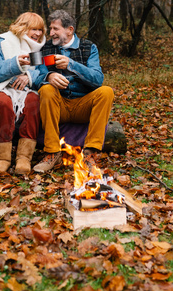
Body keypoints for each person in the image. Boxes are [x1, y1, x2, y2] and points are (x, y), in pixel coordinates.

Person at [33, 10, 114, 173]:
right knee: (47, 89)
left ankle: (90, 155)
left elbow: (97, 79)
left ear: (70, 30)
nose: (51, 33)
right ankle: (51, 153)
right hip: (58, 105)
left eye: (56, 29)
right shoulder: (43, 48)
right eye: (51, 29)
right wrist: (48, 76)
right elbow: (33, 75)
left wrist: (72, 65)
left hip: (83, 105)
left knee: (106, 92)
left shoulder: (89, 47)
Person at [0, 12, 47, 176]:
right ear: (22, 27)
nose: (38, 34)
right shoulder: (2, 42)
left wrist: (28, 76)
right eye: (34, 29)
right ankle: (2, 159)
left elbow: (44, 73)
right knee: (2, 103)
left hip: (27, 90)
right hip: (0, 87)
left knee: (34, 101)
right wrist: (15, 65)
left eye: (41, 30)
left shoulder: (40, 49)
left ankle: (24, 157)